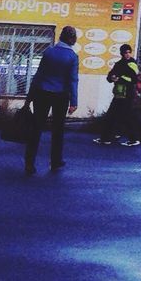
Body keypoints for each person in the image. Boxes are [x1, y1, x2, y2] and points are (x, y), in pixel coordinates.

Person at [23, 25, 80, 175]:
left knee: (36, 127)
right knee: (58, 129)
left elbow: (39, 75)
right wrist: (74, 101)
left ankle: (29, 162)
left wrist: (29, 98)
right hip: (61, 96)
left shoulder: (49, 52)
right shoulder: (72, 57)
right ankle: (55, 161)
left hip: (42, 93)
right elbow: (73, 80)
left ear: (61, 36)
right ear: (73, 39)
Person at [95, 44, 141, 146]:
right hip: (119, 94)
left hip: (128, 94)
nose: (127, 54)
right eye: (125, 52)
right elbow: (110, 76)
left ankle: (134, 138)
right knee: (113, 116)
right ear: (122, 53)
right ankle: (107, 138)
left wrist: (120, 78)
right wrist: (112, 77)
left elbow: (136, 79)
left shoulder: (132, 64)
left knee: (127, 116)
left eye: (129, 52)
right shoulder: (119, 64)